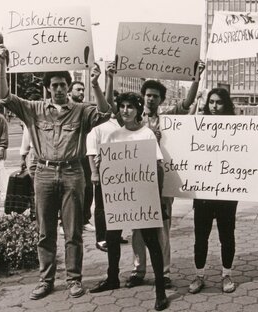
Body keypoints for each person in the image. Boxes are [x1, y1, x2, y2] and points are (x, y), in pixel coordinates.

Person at [0, 44, 111, 300]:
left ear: (69, 86)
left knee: (73, 231)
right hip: (44, 175)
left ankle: (73, 279)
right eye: (54, 85)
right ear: (48, 87)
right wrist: (2, 64)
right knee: (45, 231)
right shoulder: (33, 109)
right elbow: (3, 98)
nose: (59, 89)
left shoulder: (81, 111)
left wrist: (97, 84)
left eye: (63, 84)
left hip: (72, 174)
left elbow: (105, 113)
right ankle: (46, 280)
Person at [126, 60, 205, 290]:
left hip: (162, 182)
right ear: (142, 97)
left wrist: (196, 77)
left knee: (163, 228)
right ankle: (138, 270)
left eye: (155, 96)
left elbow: (187, 102)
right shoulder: (130, 120)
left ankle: (164, 271)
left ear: (161, 100)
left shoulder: (169, 118)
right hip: (136, 181)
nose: (151, 99)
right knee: (137, 229)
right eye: (148, 95)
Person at [88, 92, 169, 311]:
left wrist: (158, 196)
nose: (125, 110)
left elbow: (158, 165)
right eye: (122, 106)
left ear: (138, 109)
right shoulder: (114, 135)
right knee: (112, 237)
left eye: (130, 107)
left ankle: (160, 289)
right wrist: (101, 162)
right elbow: (107, 164)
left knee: (151, 241)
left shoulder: (147, 135)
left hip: (143, 195)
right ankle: (112, 277)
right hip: (119, 196)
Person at [187, 88, 239, 294]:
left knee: (227, 235)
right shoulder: (199, 125)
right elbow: (181, 130)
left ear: (226, 104)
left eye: (218, 103)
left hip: (227, 192)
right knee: (201, 236)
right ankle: (199, 275)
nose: (214, 107)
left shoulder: (237, 127)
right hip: (204, 193)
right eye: (211, 102)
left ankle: (227, 274)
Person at [85, 62, 126, 251]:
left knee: (118, 203)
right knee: (101, 206)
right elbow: (91, 150)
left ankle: (115, 234)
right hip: (103, 170)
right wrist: (94, 172)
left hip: (120, 170)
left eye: (116, 102)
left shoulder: (122, 124)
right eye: (112, 101)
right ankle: (102, 237)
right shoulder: (99, 125)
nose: (114, 105)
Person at [67, 81, 95, 232]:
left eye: (83, 89)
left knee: (88, 187)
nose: (82, 92)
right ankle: (64, 222)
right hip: (68, 155)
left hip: (84, 153)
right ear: (69, 92)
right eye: (78, 89)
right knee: (68, 189)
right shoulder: (65, 109)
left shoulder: (85, 109)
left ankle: (84, 219)